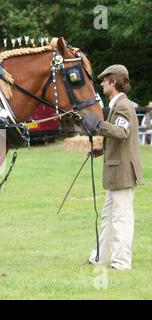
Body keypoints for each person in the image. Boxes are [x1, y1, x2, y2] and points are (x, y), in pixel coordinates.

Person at [84, 64, 144, 270]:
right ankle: (99, 257)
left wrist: (99, 124)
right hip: (115, 171)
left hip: (122, 172)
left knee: (121, 219)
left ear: (114, 82)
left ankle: (121, 262)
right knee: (108, 219)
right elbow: (118, 138)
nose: (101, 84)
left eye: (104, 80)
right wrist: (102, 150)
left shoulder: (124, 106)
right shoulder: (117, 105)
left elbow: (121, 132)